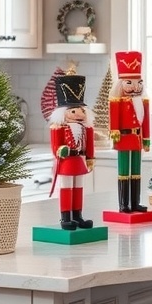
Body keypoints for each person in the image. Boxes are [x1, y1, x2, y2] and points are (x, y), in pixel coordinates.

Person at [49, 68, 94, 230]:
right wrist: (61, 150)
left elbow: (89, 145)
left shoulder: (86, 128)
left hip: (80, 161)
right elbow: (55, 147)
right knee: (66, 187)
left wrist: (90, 158)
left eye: (81, 110)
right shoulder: (58, 128)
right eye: (73, 111)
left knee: (79, 188)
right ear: (64, 113)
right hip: (67, 161)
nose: (78, 114)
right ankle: (65, 217)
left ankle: (78, 216)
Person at [109, 51, 150, 213]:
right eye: (129, 82)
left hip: (137, 138)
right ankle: (124, 204)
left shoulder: (143, 101)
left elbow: (146, 122)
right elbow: (114, 118)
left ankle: (135, 202)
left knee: (137, 171)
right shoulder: (117, 101)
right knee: (124, 171)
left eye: (138, 82)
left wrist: (146, 139)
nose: (135, 86)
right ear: (121, 84)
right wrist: (114, 132)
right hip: (124, 137)